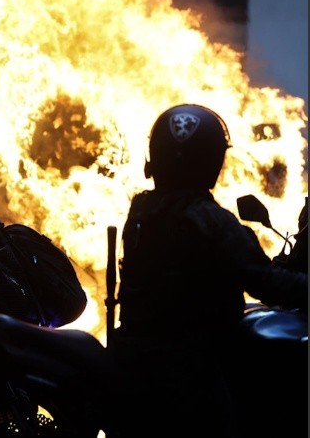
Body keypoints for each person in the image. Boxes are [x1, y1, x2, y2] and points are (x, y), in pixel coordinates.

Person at [111, 104, 308, 438]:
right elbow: (268, 283)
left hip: (134, 358)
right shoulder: (209, 220)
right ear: (210, 161)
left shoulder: (141, 211)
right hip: (190, 371)